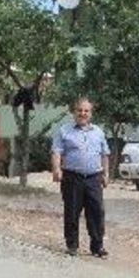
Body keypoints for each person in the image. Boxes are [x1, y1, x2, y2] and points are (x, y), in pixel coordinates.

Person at [51, 97, 110, 258]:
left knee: (97, 212)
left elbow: (105, 154)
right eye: (80, 110)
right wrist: (56, 169)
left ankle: (97, 247)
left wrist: (106, 174)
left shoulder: (98, 132)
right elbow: (57, 151)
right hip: (72, 177)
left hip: (93, 178)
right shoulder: (64, 131)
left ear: (91, 113)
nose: (83, 113)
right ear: (74, 112)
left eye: (86, 111)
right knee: (72, 211)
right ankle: (72, 245)